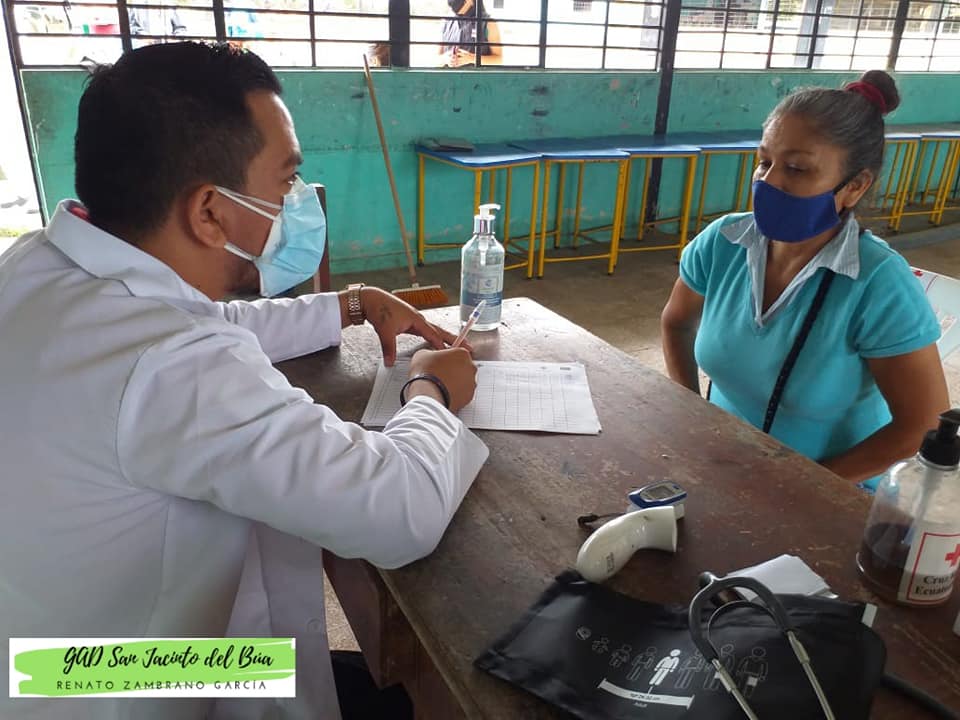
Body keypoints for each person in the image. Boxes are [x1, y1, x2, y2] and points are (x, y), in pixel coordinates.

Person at [0, 41, 488, 720]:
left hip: (39, 665)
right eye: (285, 182)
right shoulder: (172, 362)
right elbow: (401, 510)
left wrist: (350, 305)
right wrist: (431, 389)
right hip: (118, 687)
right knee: (411, 695)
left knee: (325, 671)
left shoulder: (40, 265)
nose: (293, 201)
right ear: (209, 211)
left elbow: (197, 320)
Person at [661, 70, 949, 489]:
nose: (768, 181)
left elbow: (922, 425)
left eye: (796, 168)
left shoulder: (877, 283)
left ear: (854, 186)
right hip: (726, 466)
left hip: (834, 489)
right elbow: (676, 323)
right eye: (765, 161)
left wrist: (806, 487)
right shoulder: (723, 242)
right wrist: (693, 413)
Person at [440, 0, 502, 67]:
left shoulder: (488, 24)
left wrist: (472, 58)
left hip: (476, 73)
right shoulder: (447, 23)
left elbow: (499, 59)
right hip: (449, 73)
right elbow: (437, 58)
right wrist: (445, 59)